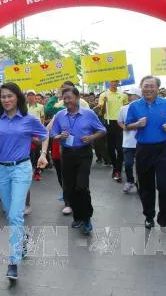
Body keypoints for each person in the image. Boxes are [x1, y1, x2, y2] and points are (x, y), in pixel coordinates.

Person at [0, 82, 48, 280]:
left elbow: (44, 134)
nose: (6, 100)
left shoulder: (29, 119)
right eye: (3, 97)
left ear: (18, 98)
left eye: (9, 96)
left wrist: (42, 153)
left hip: (21, 168)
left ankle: (13, 261)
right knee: (8, 212)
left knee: (15, 215)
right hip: (1, 170)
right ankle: (23, 238)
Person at [125, 76, 166, 233]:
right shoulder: (134, 106)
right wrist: (137, 124)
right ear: (141, 87)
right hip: (143, 149)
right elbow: (127, 125)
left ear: (157, 88)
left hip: (164, 149)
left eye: (152, 86)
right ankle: (149, 216)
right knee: (146, 187)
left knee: (164, 186)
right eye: (145, 86)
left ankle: (164, 220)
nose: (148, 89)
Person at [49, 87, 106, 234]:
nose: (66, 101)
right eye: (64, 98)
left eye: (69, 97)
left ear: (77, 97)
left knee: (82, 186)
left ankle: (87, 217)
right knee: (70, 187)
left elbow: (102, 130)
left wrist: (91, 137)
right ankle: (78, 217)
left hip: (83, 153)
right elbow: (52, 133)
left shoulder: (89, 114)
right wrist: (59, 136)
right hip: (67, 153)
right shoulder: (60, 115)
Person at [98, 80, 128, 183]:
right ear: (109, 82)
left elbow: (125, 109)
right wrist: (105, 103)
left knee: (120, 148)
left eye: (116, 81)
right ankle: (115, 167)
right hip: (109, 122)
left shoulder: (123, 95)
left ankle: (118, 170)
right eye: (112, 81)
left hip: (120, 123)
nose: (114, 83)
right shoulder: (103, 95)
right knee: (110, 148)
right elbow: (101, 113)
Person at [117, 88, 141, 193]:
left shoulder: (143, 108)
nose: (129, 96)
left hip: (141, 141)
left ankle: (140, 183)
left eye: (131, 94)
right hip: (128, 141)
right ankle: (130, 181)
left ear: (138, 96)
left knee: (141, 165)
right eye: (128, 95)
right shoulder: (123, 108)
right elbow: (120, 121)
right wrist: (124, 127)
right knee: (128, 164)